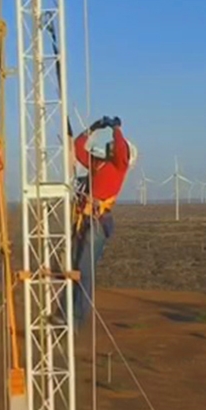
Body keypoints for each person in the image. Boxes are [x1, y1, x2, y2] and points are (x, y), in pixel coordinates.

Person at [54, 115, 130, 330]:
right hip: (83, 220)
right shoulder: (97, 165)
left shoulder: (118, 166)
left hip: (97, 222)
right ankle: (63, 312)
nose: (112, 146)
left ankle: (75, 318)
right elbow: (78, 147)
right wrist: (94, 127)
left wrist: (116, 128)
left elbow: (122, 151)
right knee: (71, 268)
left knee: (84, 271)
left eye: (114, 145)